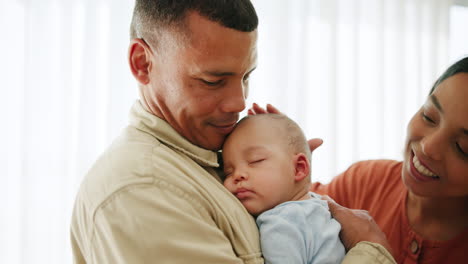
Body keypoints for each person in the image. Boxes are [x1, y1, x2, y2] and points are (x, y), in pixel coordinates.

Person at [70, 0, 396, 263]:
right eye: (213, 81)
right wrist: (370, 250)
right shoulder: (141, 191)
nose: (239, 101)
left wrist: (285, 177)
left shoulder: (210, 156)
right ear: (143, 63)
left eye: (246, 77)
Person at [309, 57, 468, 264]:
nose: (428, 147)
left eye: (462, 147)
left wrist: (373, 248)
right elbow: (294, 206)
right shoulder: (366, 181)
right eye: (429, 116)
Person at [222, 113, 346, 264]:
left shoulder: (280, 223)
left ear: (299, 168)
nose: (237, 175)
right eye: (228, 172)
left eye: (256, 160)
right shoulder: (319, 205)